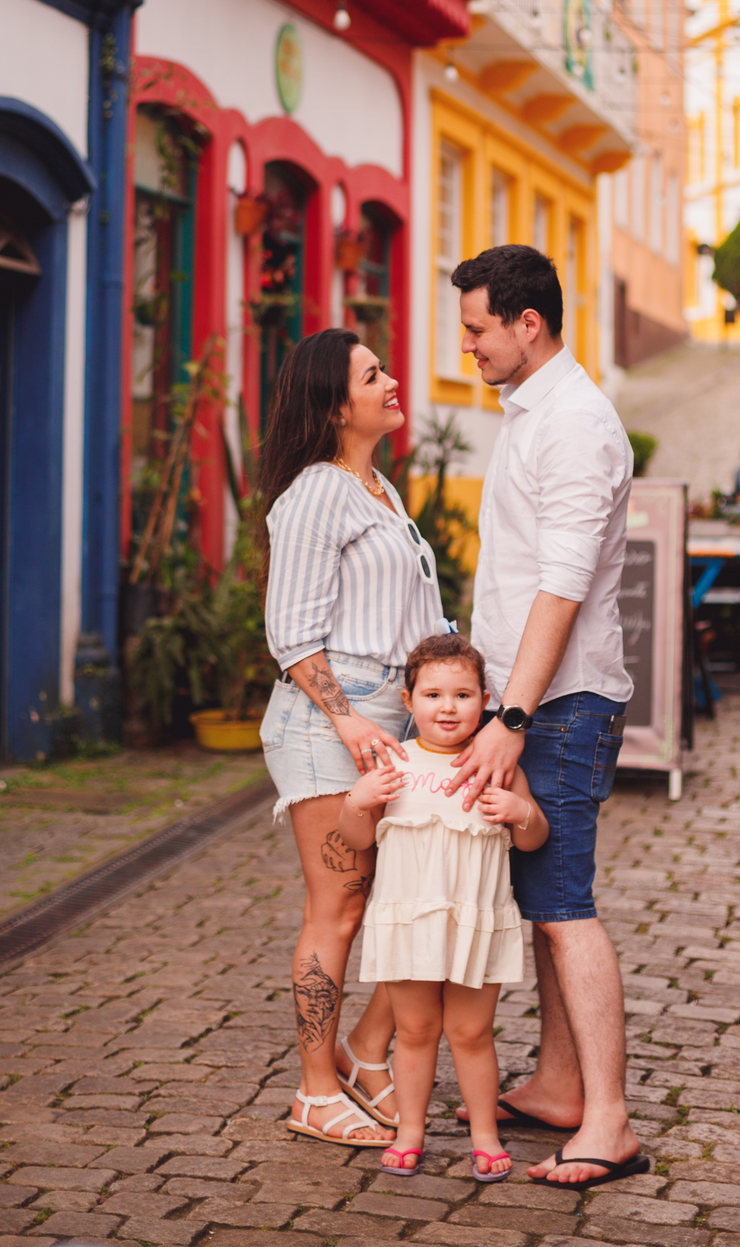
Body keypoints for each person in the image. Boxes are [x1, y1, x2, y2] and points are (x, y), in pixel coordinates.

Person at [444, 243, 652, 1191]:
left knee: (566, 907)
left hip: (561, 703)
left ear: (528, 324)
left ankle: (610, 1121)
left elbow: (562, 584)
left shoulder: (573, 424)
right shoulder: (533, 411)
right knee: (543, 903)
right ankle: (563, 1086)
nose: (468, 346)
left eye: (477, 328)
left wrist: (513, 715)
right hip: (536, 697)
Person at [259, 328, 445, 1146]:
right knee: (336, 908)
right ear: (336, 407)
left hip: (391, 714)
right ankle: (315, 1092)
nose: (392, 381)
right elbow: (292, 635)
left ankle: (366, 1052)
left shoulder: (379, 490)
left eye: (385, 370)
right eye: (373, 376)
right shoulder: (315, 494)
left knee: (405, 895)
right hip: (329, 719)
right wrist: (348, 718)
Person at [337, 634, 547, 1181]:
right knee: (414, 1031)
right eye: (433, 695)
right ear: (409, 701)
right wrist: (358, 802)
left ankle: (485, 1135)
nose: (448, 707)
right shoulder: (394, 763)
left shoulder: (497, 766)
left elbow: (532, 839)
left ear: (485, 701)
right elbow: (358, 838)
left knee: (472, 1034)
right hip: (409, 922)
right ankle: (410, 1131)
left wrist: (520, 811)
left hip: (474, 923)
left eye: (462, 695)